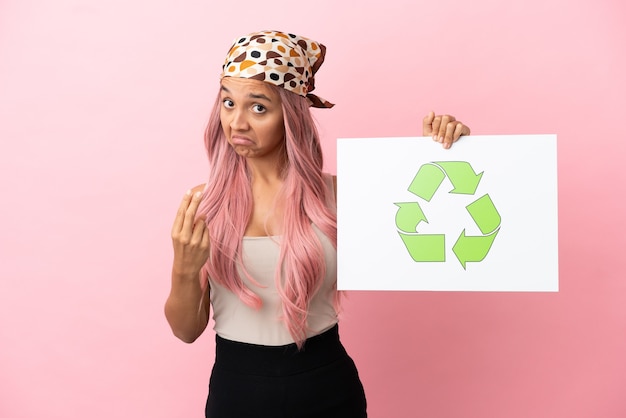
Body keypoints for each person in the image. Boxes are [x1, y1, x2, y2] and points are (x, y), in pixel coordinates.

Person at [164, 30, 470, 418]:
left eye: (258, 107)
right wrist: (184, 268)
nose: (237, 121)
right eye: (228, 102)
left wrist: (446, 154)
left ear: (291, 114)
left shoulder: (342, 197)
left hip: (327, 388)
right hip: (236, 392)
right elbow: (185, 331)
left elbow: (439, 218)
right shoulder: (204, 203)